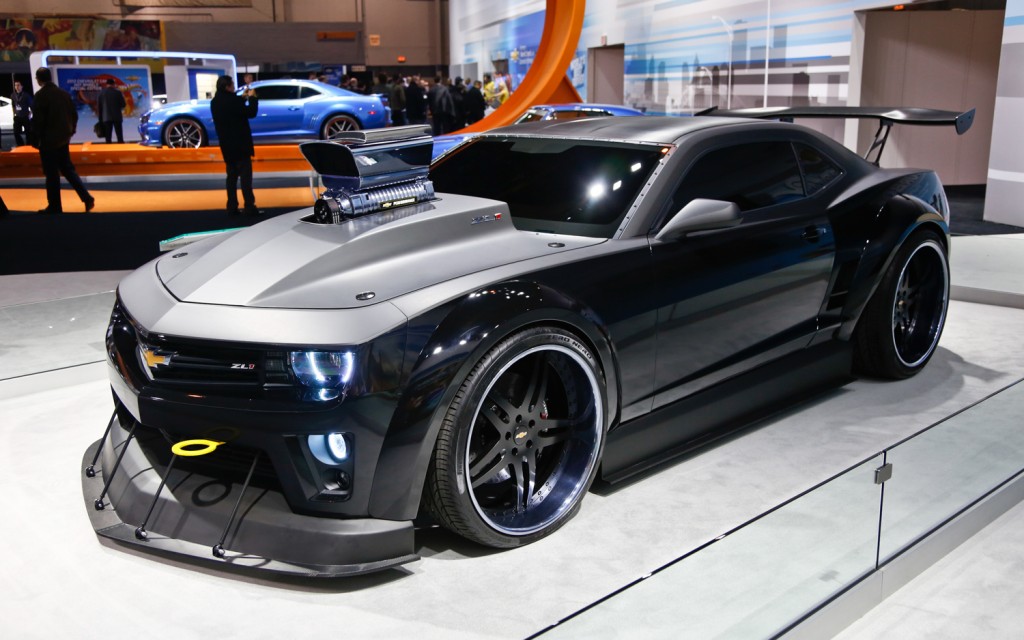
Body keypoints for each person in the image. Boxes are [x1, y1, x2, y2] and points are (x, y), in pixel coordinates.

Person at [31, 67, 94, 214]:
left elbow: (38, 120)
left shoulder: (41, 95)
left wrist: (35, 138)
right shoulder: (63, 94)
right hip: (63, 138)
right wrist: (71, 131)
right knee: (67, 169)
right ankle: (86, 197)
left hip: (48, 140)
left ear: (39, 79)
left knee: (51, 174)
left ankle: (55, 205)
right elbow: (74, 114)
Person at [210, 74, 259, 216]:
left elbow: (232, 110)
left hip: (226, 145)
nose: (233, 87)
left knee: (231, 178)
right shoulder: (234, 101)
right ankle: (249, 207)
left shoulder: (215, 102)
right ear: (227, 86)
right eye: (232, 85)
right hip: (241, 144)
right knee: (245, 178)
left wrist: (242, 98)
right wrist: (253, 98)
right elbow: (251, 112)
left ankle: (232, 207)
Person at [97, 78, 126, 144]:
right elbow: (123, 104)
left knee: (108, 137)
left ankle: (108, 148)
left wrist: (100, 118)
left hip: (106, 117)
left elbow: (99, 107)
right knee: (119, 136)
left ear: (106, 84)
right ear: (113, 84)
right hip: (117, 117)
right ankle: (121, 147)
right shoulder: (118, 93)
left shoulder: (101, 93)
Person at [11, 80, 32, 147]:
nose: (17, 87)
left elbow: (31, 105)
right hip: (17, 116)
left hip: (25, 116)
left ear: (22, 86)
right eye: (15, 85)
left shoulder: (26, 95)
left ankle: (28, 145)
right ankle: (20, 145)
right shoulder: (13, 95)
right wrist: (14, 113)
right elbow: (13, 105)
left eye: (18, 85)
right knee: (16, 132)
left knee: (28, 133)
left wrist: (30, 113)